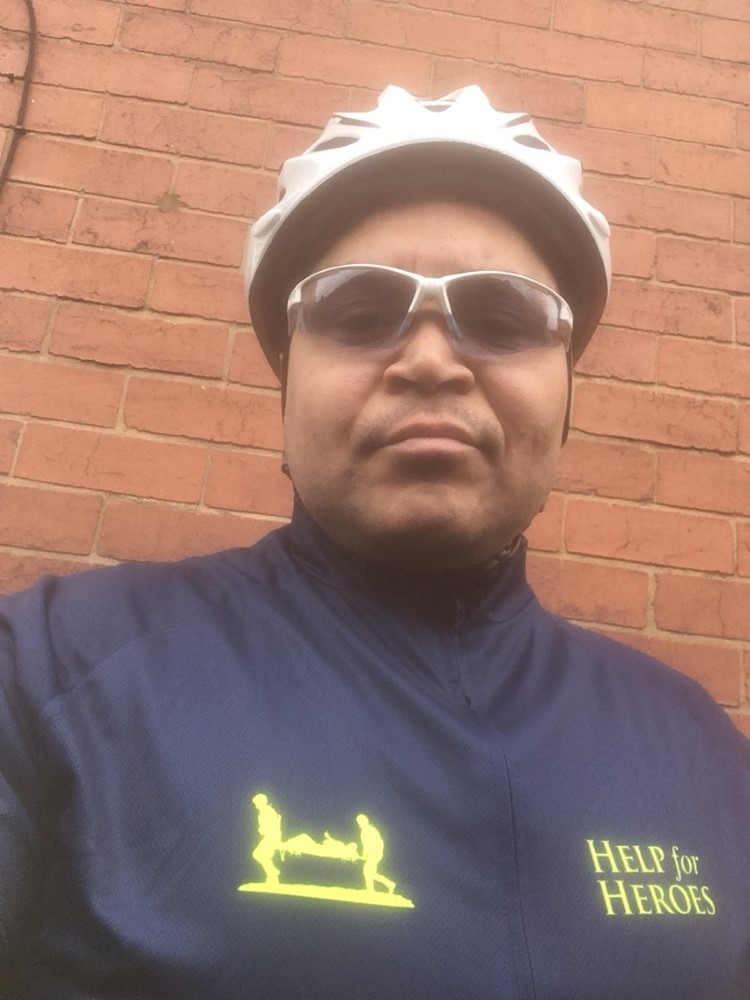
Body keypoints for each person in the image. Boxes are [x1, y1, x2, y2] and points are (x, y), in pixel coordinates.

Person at [0, 86, 748, 999]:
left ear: (567, 397)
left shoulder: (700, 753)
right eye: (358, 311)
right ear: (287, 384)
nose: (430, 360)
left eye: (502, 315)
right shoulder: (47, 673)